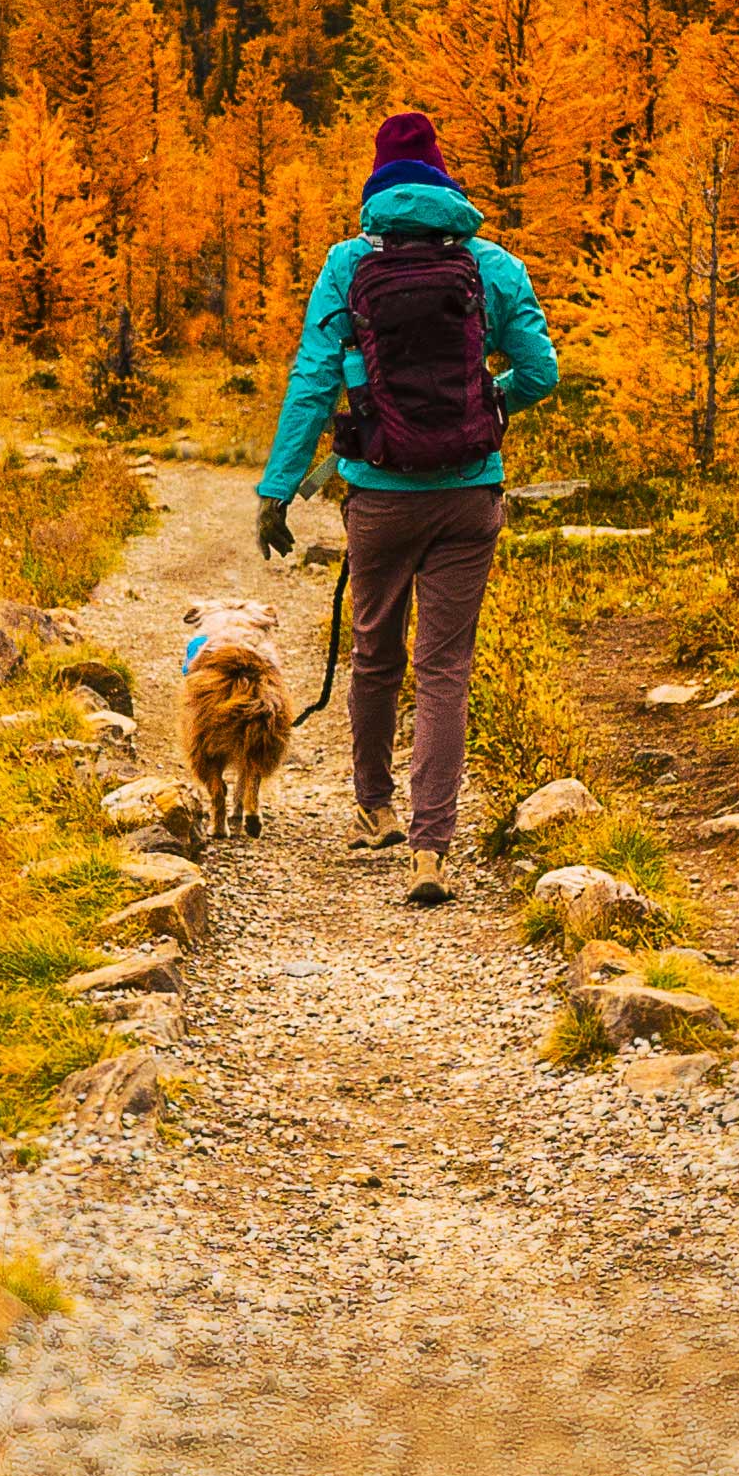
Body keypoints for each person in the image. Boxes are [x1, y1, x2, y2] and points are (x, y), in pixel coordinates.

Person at [253, 110, 559, 906]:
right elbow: (543, 372)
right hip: (468, 493)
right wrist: (490, 403)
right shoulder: (491, 264)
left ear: (378, 183)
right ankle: (431, 852)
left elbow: (314, 381)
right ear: (443, 177)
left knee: (375, 653)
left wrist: (277, 491)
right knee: (444, 669)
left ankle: (374, 809)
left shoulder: (347, 265)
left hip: (379, 496)